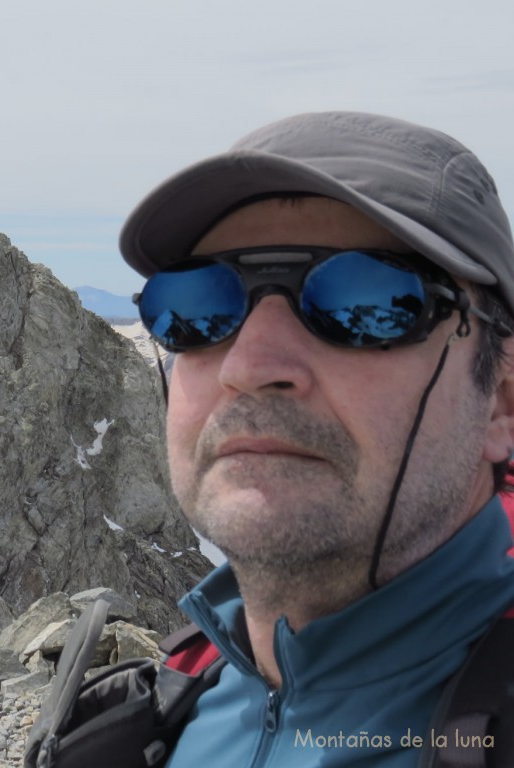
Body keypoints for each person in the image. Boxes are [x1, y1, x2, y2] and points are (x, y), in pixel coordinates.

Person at [119, 112, 514, 766]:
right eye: (196, 309)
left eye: (367, 300)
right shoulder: (145, 720)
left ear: (501, 401)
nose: (250, 367)